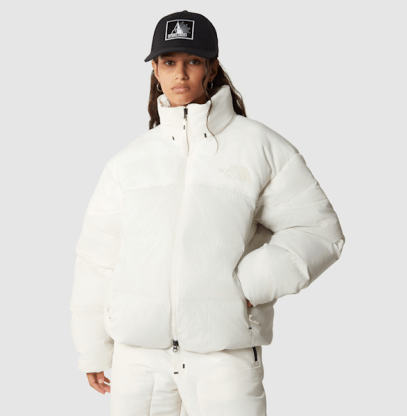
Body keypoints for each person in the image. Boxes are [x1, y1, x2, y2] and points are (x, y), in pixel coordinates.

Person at [70, 10, 346, 416]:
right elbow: (98, 257)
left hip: (224, 356)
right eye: (169, 62)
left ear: (211, 68)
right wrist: (93, 347)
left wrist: (244, 288)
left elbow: (318, 230)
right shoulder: (128, 162)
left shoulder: (260, 147)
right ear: (155, 70)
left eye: (193, 61)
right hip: (139, 359)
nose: (180, 74)